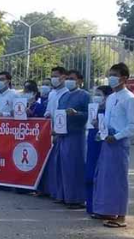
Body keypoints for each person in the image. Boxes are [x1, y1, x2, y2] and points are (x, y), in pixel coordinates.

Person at [92, 63, 134, 228]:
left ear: (124, 78)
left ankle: (121, 216)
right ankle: (108, 210)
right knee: (105, 178)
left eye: (114, 74)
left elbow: (132, 125)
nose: (111, 78)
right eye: (110, 74)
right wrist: (99, 127)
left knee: (119, 179)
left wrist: (116, 136)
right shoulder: (110, 97)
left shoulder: (129, 99)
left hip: (119, 143)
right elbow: (108, 120)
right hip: (106, 141)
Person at [53, 69, 90, 209]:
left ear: (80, 81)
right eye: (67, 78)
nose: (69, 80)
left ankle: (76, 198)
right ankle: (63, 195)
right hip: (62, 135)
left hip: (76, 135)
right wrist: (56, 130)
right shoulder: (63, 96)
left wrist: (77, 113)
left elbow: (89, 114)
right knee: (61, 166)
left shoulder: (85, 96)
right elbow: (58, 114)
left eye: (72, 78)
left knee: (74, 167)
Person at [38, 66, 70, 198]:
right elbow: (49, 109)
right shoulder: (52, 93)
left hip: (60, 130)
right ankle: (47, 189)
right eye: (52, 76)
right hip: (48, 129)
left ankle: (58, 191)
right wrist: (46, 114)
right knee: (48, 160)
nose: (54, 79)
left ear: (63, 77)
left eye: (56, 76)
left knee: (58, 161)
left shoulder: (67, 93)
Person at [85, 85, 112, 215]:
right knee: (90, 174)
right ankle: (90, 206)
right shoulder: (93, 110)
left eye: (99, 94)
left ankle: (102, 208)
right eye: (95, 94)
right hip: (92, 144)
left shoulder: (110, 113)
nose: (96, 97)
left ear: (107, 97)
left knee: (101, 175)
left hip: (104, 144)